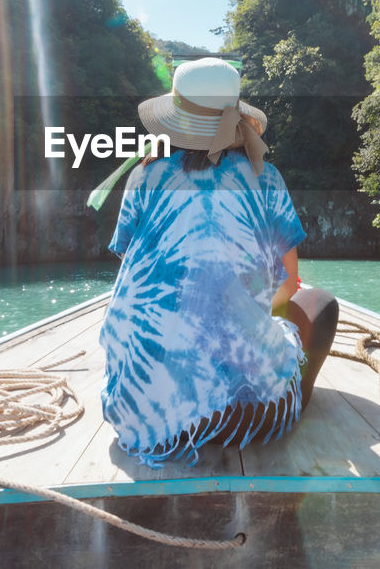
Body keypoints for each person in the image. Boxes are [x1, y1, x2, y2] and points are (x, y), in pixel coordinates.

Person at [99, 57, 339, 467]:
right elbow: (290, 282)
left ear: (173, 120)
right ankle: (292, 395)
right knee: (321, 306)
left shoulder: (144, 176)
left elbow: (131, 262)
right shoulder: (266, 177)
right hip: (246, 417)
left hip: (140, 413)